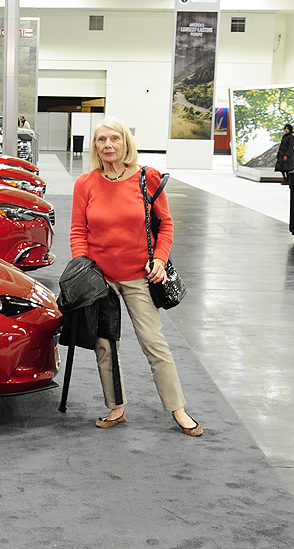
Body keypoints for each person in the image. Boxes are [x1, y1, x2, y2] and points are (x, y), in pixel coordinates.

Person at [69, 118, 202, 436]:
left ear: (126, 143)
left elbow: (165, 223)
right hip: (101, 279)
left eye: (114, 139)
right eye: (101, 140)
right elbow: (77, 232)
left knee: (154, 343)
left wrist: (160, 257)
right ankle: (116, 408)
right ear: (95, 147)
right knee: (105, 345)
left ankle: (178, 409)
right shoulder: (85, 184)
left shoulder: (147, 178)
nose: (108, 145)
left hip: (139, 276)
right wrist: (83, 268)